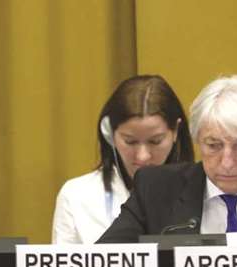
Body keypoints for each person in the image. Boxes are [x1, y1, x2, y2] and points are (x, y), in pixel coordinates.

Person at [97, 75, 237, 243]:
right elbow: (105, 263)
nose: (227, 162)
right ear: (198, 140)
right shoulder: (155, 189)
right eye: (213, 146)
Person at [52, 75, 194, 244]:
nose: (143, 156)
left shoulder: (204, 191)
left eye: (155, 141)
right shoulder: (76, 196)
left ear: (176, 131)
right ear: (109, 133)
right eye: (130, 141)